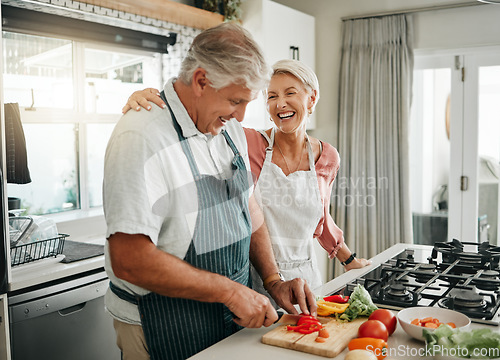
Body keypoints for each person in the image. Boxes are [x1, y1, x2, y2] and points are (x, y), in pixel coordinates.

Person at [103, 23, 317, 360]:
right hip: (163, 322)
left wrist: (274, 280)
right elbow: (130, 260)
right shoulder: (142, 136)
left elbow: (249, 206)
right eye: (235, 100)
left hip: (225, 315)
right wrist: (230, 292)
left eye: (247, 102)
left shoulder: (226, 126)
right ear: (201, 81)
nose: (241, 116)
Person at [124, 59, 371, 306]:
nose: (280, 103)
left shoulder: (327, 156)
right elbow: (199, 121)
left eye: (290, 93)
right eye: (272, 96)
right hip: (256, 281)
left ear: (312, 98)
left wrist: (350, 261)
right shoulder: (248, 141)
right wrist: (154, 102)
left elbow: (321, 218)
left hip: (307, 280)